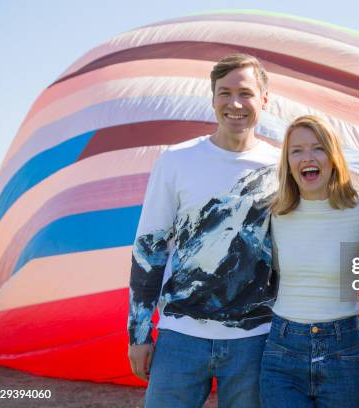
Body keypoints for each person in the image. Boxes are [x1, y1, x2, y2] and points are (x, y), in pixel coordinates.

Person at [127, 53, 280, 408]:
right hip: (180, 336)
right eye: (224, 93)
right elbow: (149, 248)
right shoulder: (175, 161)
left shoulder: (281, 164)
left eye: (245, 93)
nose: (235, 103)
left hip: (255, 339)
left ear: (264, 100)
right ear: (212, 99)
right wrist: (138, 333)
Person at [260, 115, 359, 408]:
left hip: (344, 351)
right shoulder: (274, 213)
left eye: (317, 148)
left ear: (333, 156)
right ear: (287, 161)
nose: (307, 157)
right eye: (296, 150)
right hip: (282, 350)